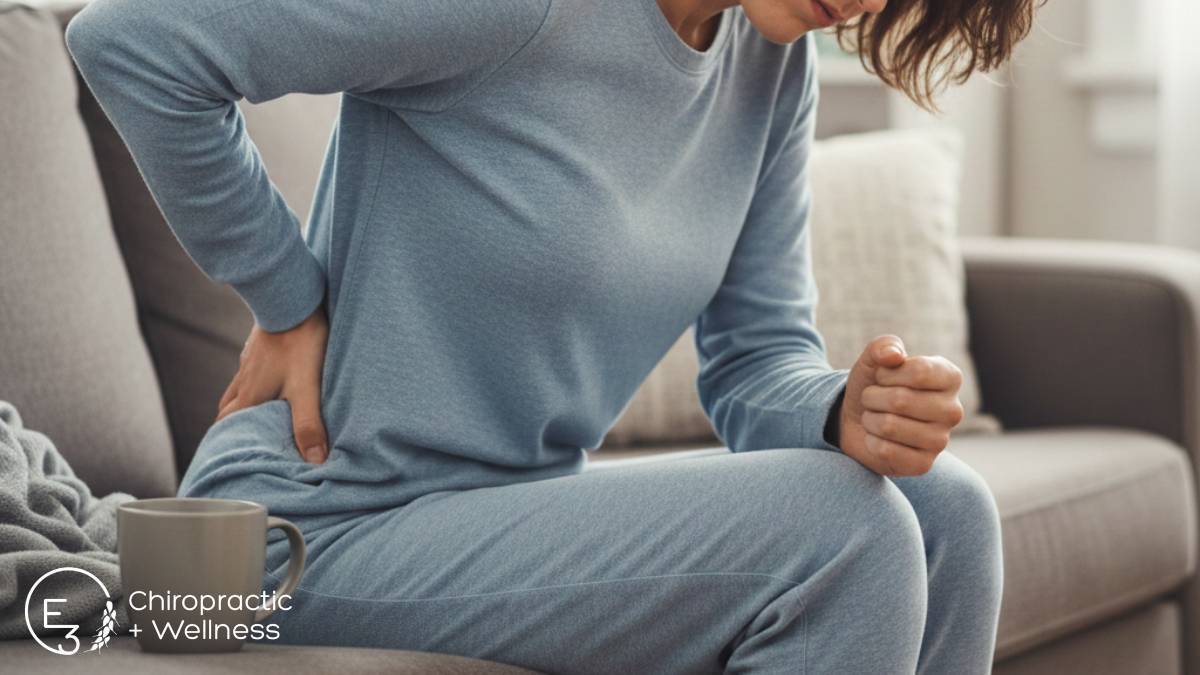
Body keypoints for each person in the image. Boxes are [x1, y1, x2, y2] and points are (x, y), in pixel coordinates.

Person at [65, 0, 1036, 671]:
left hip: (501, 510)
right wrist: (286, 297)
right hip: (304, 526)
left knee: (948, 509)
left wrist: (843, 410)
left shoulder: (772, 70)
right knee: (843, 531)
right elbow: (139, 44)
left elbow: (756, 360)